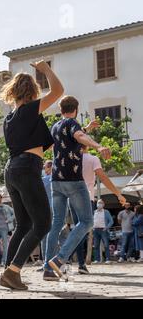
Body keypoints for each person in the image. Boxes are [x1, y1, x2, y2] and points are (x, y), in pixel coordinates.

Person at [0, 60, 64, 290]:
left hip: (12, 169)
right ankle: (14, 270)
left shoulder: (10, 118)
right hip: (27, 167)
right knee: (43, 223)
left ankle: (8, 272)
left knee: (24, 224)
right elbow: (58, 91)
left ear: (14, 91)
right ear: (32, 91)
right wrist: (45, 69)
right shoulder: (30, 109)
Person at [44, 96, 113, 281]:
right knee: (86, 222)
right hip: (73, 179)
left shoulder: (56, 126)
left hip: (56, 180)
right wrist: (98, 146)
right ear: (76, 109)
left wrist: (87, 129)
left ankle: (47, 269)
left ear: (61, 109)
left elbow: (74, 136)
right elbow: (79, 136)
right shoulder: (72, 123)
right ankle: (59, 260)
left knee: (57, 223)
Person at [71, 144, 126, 274]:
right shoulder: (93, 158)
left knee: (76, 231)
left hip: (71, 198)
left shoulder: (72, 158)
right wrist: (118, 194)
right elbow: (103, 177)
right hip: (86, 198)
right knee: (82, 231)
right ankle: (79, 264)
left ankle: (77, 262)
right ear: (87, 146)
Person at [92, 199, 114, 264]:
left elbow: (111, 221)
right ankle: (97, 259)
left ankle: (108, 259)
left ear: (103, 205)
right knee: (96, 246)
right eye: (98, 203)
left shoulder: (106, 212)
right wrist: (92, 227)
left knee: (106, 245)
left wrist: (106, 227)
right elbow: (91, 221)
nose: (99, 204)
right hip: (95, 230)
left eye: (101, 203)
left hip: (103, 230)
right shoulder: (94, 212)